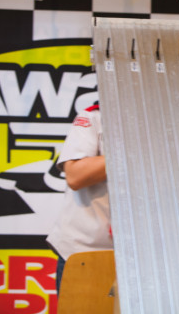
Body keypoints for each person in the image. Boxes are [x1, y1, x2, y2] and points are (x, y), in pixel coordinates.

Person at [46, 104, 111, 294]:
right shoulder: (96, 116)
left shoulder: (175, 123)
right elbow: (75, 175)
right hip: (88, 250)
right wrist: (137, 148)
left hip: (149, 254)